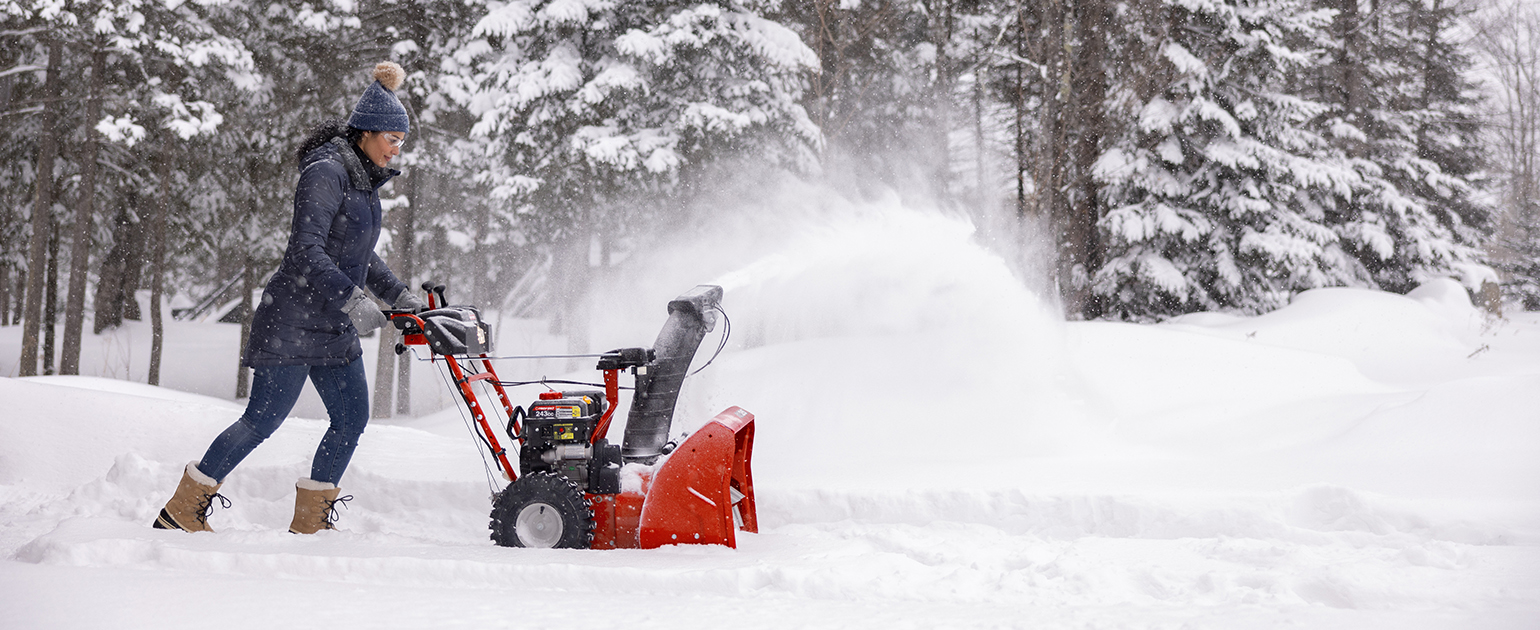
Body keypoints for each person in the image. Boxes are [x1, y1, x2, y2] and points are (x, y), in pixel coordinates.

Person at [153, 62, 427, 535]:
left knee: (351, 418)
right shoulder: (325, 172)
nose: (396, 148)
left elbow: (359, 254)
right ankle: (182, 510)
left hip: (330, 326)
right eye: (392, 137)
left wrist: (398, 294)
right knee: (262, 421)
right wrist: (352, 298)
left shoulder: (363, 180)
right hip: (293, 320)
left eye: (402, 140)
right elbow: (306, 251)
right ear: (365, 133)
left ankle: (310, 523)